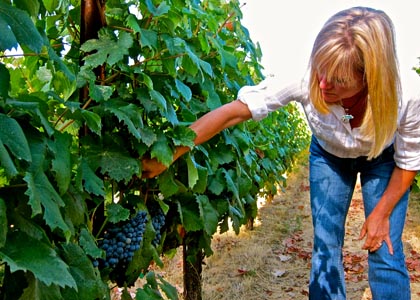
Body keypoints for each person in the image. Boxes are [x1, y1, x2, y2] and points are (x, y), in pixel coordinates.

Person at [142, 6, 420, 300]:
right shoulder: (304, 79)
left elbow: (408, 160)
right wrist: (172, 151)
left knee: (385, 248)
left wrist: (382, 212)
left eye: (339, 80)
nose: (323, 84)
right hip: (330, 158)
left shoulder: (406, 96)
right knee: (326, 248)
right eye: (320, 69)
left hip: (384, 159)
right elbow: (233, 114)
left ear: (369, 78)